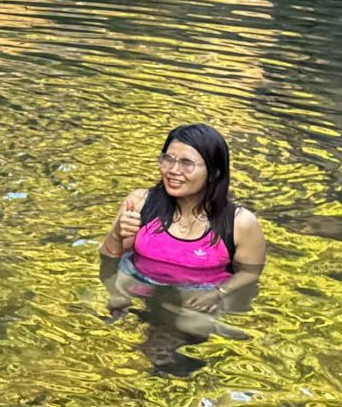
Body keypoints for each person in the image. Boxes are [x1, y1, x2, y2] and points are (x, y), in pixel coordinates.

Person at [99, 123, 266, 312]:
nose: (173, 170)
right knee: (96, 305)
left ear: (215, 172)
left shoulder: (240, 223)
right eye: (168, 159)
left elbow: (250, 272)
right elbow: (107, 258)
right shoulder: (140, 203)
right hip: (139, 281)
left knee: (190, 324)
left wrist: (218, 293)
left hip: (199, 293)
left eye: (187, 163)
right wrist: (116, 235)